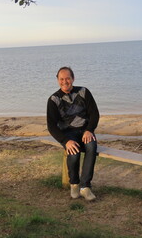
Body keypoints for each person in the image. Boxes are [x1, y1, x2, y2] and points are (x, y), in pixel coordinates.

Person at [47, 66, 100, 201]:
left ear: (73, 79)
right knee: (74, 152)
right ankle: (74, 184)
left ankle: (85, 187)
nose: (65, 81)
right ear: (58, 80)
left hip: (85, 131)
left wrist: (89, 130)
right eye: (62, 79)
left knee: (91, 147)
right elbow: (51, 126)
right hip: (67, 133)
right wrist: (65, 141)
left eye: (68, 78)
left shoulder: (83, 92)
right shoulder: (54, 99)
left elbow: (94, 114)